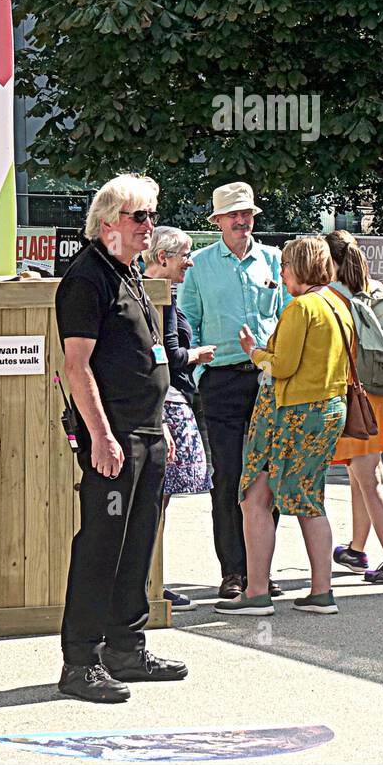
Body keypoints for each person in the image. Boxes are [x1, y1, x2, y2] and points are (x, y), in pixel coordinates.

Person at [54, 173, 187, 704]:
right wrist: (102, 437)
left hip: (147, 432)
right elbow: (75, 367)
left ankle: (126, 648)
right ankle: (80, 662)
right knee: (101, 547)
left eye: (152, 216)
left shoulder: (127, 272)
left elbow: (146, 357)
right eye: (139, 217)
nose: (148, 226)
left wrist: (161, 427)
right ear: (108, 223)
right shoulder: (88, 278)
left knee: (138, 545)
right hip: (114, 438)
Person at [216, 235, 350, 617]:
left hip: (290, 413)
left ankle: (256, 591)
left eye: (287, 265)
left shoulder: (301, 307)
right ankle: (321, 591)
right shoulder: (338, 305)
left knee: (254, 497)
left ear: (302, 267)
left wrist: (254, 351)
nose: (282, 272)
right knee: (310, 499)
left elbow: (282, 366)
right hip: (328, 409)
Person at [179, 182, 287, 599]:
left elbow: (285, 317)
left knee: (266, 477)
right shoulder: (200, 266)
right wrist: (201, 374)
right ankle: (233, 571)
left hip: (266, 380)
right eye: (233, 215)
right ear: (218, 222)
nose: (242, 221)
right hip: (222, 379)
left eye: (247, 215)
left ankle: (261, 569)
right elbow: (186, 321)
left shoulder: (274, 262)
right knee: (227, 477)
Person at [325, 232, 383, 584]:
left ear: (330, 262)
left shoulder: (335, 297)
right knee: (362, 474)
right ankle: (357, 549)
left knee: (369, 478)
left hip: (361, 398)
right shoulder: (376, 289)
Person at [143, 226, 216, 611]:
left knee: (157, 501)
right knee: (156, 501)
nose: (190, 261)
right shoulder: (162, 298)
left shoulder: (154, 294)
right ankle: (149, 583)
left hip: (164, 403)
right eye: (185, 254)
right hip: (167, 405)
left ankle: (150, 581)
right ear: (162, 258)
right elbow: (168, 356)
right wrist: (197, 355)